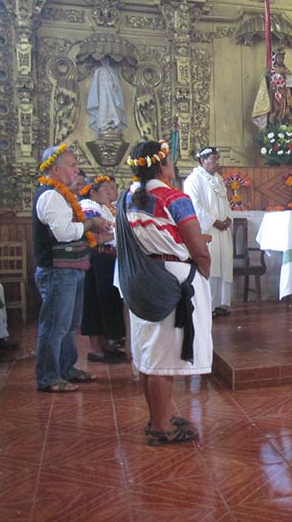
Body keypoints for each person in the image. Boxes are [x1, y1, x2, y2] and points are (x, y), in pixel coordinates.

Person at [120, 140, 212, 445]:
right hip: (172, 280)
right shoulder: (174, 198)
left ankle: (156, 417)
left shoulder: (127, 198)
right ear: (162, 166)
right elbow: (197, 247)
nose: (173, 166)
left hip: (141, 277)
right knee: (163, 359)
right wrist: (203, 269)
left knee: (148, 355)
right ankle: (161, 428)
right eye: (169, 161)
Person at [32, 144, 112, 392]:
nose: (77, 170)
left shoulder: (63, 195)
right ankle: (48, 377)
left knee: (68, 324)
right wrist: (91, 223)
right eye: (72, 165)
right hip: (57, 270)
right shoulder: (50, 195)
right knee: (55, 324)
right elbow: (64, 233)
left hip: (72, 268)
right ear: (56, 169)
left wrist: (93, 231)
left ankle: (66, 368)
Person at [78, 175, 126, 363]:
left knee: (108, 301)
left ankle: (107, 344)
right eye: (106, 188)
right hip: (98, 258)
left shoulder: (105, 207)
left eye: (113, 188)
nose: (111, 192)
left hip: (108, 257)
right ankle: (96, 349)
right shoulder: (89, 207)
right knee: (96, 302)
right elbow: (96, 236)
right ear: (93, 191)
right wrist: (116, 233)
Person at [183, 147, 234, 317]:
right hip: (208, 229)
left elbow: (226, 202)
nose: (216, 163)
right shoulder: (193, 180)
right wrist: (213, 221)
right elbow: (194, 205)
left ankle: (221, 303)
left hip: (222, 229)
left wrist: (228, 218)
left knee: (223, 263)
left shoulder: (218, 179)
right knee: (211, 266)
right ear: (202, 160)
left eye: (217, 159)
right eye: (213, 159)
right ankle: (208, 306)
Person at [251, 48, 292, 129]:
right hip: (275, 96)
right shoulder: (271, 72)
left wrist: (288, 80)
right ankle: (273, 123)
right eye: (279, 57)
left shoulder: (287, 71)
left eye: (282, 58)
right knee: (275, 111)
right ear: (275, 58)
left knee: (286, 111)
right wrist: (268, 77)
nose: (280, 59)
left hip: (285, 96)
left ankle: (285, 123)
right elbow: (266, 84)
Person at [87, 57, 126, 136]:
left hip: (111, 94)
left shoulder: (111, 71)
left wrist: (114, 87)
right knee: (103, 109)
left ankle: (113, 124)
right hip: (102, 94)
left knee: (113, 109)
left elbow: (116, 84)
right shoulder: (99, 71)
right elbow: (95, 86)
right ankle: (104, 125)